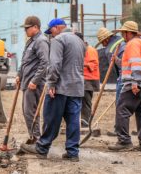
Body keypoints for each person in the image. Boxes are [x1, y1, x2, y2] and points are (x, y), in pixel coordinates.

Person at [20, 18, 85, 162]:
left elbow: (54, 64)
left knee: (51, 118)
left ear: (57, 28)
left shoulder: (59, 40)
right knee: (73, 120)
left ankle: (42, 148)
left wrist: (51, 84)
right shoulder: (79, 41)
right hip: (77, 87)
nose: (51, 34)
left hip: (60, 87)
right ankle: (73, 152)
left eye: (52, 31)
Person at [108, 21, 141, 152]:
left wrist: (135, 82)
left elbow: (136, 63)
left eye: (123, 33)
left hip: (134, 83)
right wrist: (118, 61)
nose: (122, 35)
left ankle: (124, 141)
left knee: (122, 110)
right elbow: (131, 65)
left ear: (129, 33)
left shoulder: (132, 44)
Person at [16, 16, 49, 143]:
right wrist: (19, 74)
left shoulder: (41, 41)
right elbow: (25, 60)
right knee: (27, 111)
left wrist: (35, 81)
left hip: (34, 83)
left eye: (27, 28)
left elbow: (45, 62)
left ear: (36, 27)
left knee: (30, 112)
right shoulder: (31, 41)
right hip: (27, 81)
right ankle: (34, 136)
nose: (26, 31)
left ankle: (36, 138)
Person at [96, 27, 125, 136]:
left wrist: (121, 82)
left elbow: (115, 70)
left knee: (120, 104)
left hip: (124, 76)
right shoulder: (122, 40)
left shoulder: (109, 49)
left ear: (106, 39)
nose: (102, 45)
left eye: (102, 42)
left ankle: (118, 130)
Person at [75, 32, 100, 127]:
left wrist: (79, 64)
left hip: (88, 80)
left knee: (85, 102)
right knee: (84, 101)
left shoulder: (89, 50)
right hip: (85, 79)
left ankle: (85, 122)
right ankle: (84, 121)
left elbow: (92, 65)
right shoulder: (84, 49)